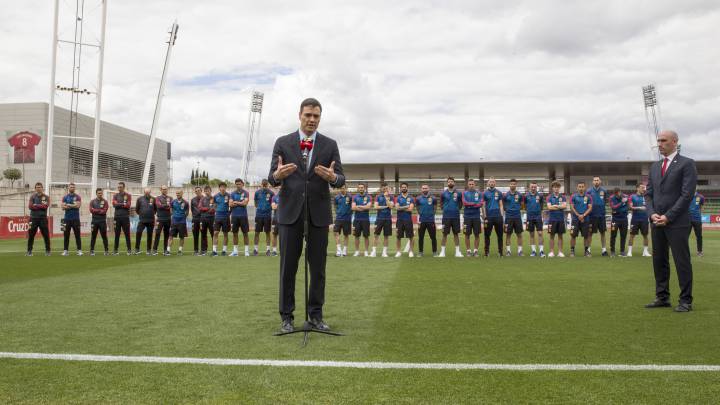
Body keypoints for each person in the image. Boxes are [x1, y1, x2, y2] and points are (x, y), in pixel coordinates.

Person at [268, 97, 345, 333]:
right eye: (308, 115)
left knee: (318, 269)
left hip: (318, 216)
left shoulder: (330, 144)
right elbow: (271, 176)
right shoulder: (283, 142)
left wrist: (333, 178)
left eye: (316, 116)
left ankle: (315, 316)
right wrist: (278, 175)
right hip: (290, 214)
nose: (312, 120)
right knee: (287, 268)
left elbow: (341, 178)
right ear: (299, 115)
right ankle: (287, 317)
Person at [645, 130, 697, 312]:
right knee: (659, 260)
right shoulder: (654, 167)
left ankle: (685, 300)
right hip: (656, 221)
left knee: (681, 261)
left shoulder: (687, 164)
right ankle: (662, 296)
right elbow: (648, 194)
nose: (659, 143)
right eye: (658, 140)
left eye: (663, 140)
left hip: (677, 222)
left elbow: (686, 194)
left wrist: (668, 216)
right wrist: (652, 214)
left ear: (675, 142)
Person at [439, 177, 463, 258]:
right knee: (444, 234)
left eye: (451, 181)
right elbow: (441, 203)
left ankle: (457, 252)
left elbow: (460, 204)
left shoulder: (459, 193)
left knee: (456, 234)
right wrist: (446, 209)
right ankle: (442, 252)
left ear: (454, 183)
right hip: (446, 217)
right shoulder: (443, 193)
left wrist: (456, 209)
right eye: (449, 182)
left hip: (455, 216)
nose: (450, 183)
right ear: (447, 183)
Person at [26, 182, 51, 256]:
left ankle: (48, 251)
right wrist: (40, 206)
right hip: (33, 219)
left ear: (42, 188)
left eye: (40, 187)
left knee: (46, 235)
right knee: (31, 235)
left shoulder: (45, 197)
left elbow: (45, 207)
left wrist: (36, 205)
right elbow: (30, 206)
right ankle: (29, 251)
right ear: (35, 188)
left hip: (43, 219)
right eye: (37, 187)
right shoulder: (32, 197)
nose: (38, 188)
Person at [627, 183, 651, 257]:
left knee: (645, 235)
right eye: (641, 187)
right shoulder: (632, 197)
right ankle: (629, 251)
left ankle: (645, 252)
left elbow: (650, 206)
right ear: (637, 188)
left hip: (644, 219)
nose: (643, 189)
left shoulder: (647, 197)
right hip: (635, 219)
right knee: (632, 235)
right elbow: (630, 207)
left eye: (644, 188)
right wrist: (639, 208)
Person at [569, 181, 593, 257]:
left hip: (585, 219)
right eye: (580, 186)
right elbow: (572, 207)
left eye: (582, 186)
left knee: (586, 236)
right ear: (577, 187)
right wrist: (578, 215)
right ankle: (572, 251)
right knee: (573, 236)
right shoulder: (573, 196)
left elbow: (590, 208)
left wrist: (583, 215)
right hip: (575, 219)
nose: (581, 188)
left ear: (585, 187)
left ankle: (586, 251)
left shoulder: (589, 197)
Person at [588, 176, 609, 256]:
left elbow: (606, 201)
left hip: (601, 215)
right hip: (592, 215)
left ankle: (604, 250)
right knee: (590, 233)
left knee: (603, 233)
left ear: (600, 181)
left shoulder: (604, 191)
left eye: (597, 180)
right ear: (593, 182)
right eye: (595, 180)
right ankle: (588, 250)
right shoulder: (589, 191)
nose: (596, 181)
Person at [371, 182, 393, 258]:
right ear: (381, 188)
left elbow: (390, 206)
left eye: (386, 187)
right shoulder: (378, 197)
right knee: (376, 235)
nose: (384, 188)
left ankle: (384, 252)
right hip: (379, 218)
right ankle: (373, 251)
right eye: (383, 187)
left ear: (387, 188)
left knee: (386, 236)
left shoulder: (391, 197)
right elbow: (376, 207)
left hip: (388, 219)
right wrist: (385, 206)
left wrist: (387, 199)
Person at [229, 179, 251, 257]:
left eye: (239, 184)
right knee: (235, 234)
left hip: (243, 216)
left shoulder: (246, 193)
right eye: (237, 184)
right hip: (234, 216)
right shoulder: (232, 193)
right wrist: (240, 203)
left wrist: (236, 202)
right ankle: (235, 252)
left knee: (245, 233)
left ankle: (246, 251)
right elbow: (230, 204)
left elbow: (245, 203)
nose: (238, 185)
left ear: (242, 184)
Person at [253, 179, 275, 256]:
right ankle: (255, 249)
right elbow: (255, 202)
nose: (264, 186)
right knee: (256, 232)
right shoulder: (257, 193)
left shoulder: (271, 193)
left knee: (268, 233)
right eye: (263, 185)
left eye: (266, 185)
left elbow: (273, 203)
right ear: (261, 185)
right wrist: (259, 208)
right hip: (259, 215)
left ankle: (268, 250)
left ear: (268, 185)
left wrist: (267, 209)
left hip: (267, 215)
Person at [415, 183, 438, 257]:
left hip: (431, 220)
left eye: (426, 188)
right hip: (422, 221)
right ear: (421, 189)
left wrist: (431, 215)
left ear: (429, 189)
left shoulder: (433, 198)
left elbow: (435, 208)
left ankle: (434, 252)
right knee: (420, 237)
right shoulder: (418, 198)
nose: (425, 189)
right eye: (423, 188)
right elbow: (417, 208)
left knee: (433, 237)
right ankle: (420, 252)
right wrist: (421, 213)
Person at [482, 178, 503, 257]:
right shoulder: (485, 193)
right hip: (488, 217)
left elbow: (501, 205)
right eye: (490, 182)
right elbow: (483, 206)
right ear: (488, 183)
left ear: (495, 183)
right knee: (487, 235)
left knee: (500, 235)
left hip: (498, 217)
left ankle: (500, 252)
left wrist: (501, 216)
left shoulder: (499, 193)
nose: (492, 183)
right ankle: (486, 252)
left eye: (493, 182)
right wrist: (485, 217)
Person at [503, 179, 524, 256]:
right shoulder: (505, 195)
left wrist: (517, 209)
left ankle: (520, 251)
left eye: (514, 184)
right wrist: (508, 209)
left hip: (517, 217)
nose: (513, 185)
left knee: (519, 234)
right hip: (508, 217)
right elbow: (503, 205)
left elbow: (522, 205)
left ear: (516, 185)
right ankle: (508, 251)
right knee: (508, 234)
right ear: (509, 185)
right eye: (511, 184)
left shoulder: (520, 195)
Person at [60, 182, 82, 256]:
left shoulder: (78, 197)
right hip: (66, 219)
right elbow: (63, 207)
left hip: (76, 218)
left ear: (75, 188)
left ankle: (79, 250)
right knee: (66, 235)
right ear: (68, 188)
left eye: (73, 187)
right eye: (71, 187)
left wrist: (68, 205)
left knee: (77, 235)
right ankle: (65, 250)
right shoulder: (65, 197)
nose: (72, 188)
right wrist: (73, 205)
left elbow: (78, 206)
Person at [394, 182, 415, 258]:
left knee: (411, 236)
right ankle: (398, 252)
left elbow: (410, 209)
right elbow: (396, 208)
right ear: (400, 188)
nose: (404, 188)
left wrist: (401, 208)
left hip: (408, 220)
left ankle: (411, 251)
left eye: (405, 187)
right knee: (398, 236)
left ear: (407, 188)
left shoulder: (411, 198)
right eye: (402, 187)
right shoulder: (397, 198)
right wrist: (406, 206)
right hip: (399, 220)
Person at [546, 181, 567, 258]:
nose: (556, 188)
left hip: (560, 219)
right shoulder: (549, 197)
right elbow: (549, 207)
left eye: (557, 187)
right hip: (552, 220)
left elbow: (564, 206)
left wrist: (555, 205)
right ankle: (551, 252)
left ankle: (560, 252)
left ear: (559, 188)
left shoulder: (563, 197)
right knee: (551, 236)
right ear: (552, 188)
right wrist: (559, 206)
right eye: (554, 187)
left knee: (560, 236)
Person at [463, 179, 483, 257]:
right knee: (466, 235)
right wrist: (474, 203)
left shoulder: (479, 193)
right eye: (470, 184)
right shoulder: (464, 193)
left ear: (475, 185)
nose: (471, 185)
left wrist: (470, 204)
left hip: (476, 217)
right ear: (468, 185)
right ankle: (468, 251)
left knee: (477, 234)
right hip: (467, 217)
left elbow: (480, 204)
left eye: (472, 184)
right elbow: (464, 203)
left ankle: (475, 251)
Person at [525, 182, 545, 257]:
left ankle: (541, 251)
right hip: (529, 217)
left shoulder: (540, 196)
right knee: (532, 234)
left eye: (534, 187)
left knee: (540, 233)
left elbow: (542, 207)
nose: (533, 188)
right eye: (532, 187)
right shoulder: (526, 196)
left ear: (536, 187)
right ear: (529, 188)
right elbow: (525, 205)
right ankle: (533, 251)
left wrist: (542, 216)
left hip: (538, 217)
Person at [352, 183, 372, 257]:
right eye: (359, 187)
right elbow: (353, 208)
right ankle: (357, 251)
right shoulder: (355, 197)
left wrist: (359, 206)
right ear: (358, 188)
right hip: (357, 220)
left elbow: (368, 207)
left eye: (362, 187)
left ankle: (366, 251)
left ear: (364, 188)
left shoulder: (368, 196)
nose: (361, 189)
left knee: (366, 236)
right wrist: (364, 207)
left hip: (365, 220)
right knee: (356, 236)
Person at [112, 182, 132, 255]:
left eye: (120, 187)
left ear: (124, 187)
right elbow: (114, 204)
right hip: (116, 217)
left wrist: (119, 204)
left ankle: (129, 250)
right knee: (117, 234)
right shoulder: (115, 195)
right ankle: (115, 250)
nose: (119, 188)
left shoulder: (128, 195)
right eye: (118, 187)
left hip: (125, 217)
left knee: (127, 234)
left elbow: (128, 205)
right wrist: (123, 204)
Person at [211, 182, 231, 256]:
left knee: (225, 234)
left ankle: (224, 251)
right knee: (215, 233)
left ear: (225, 188)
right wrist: (216, 210)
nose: (222, 188)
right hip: (218, 217)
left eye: (224, 187)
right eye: (221, 187)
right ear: (219, 188)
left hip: (226, 217)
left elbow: (231, 205)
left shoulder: (229, 195)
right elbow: (213, 204)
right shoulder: (216, 196)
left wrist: (229, 213)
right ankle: (214, 251)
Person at [134, 188, 156, 255]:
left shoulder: (153, 199)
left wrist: (151, 213)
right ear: (144, 192)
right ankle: (137, 249)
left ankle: (148, 250)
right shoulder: (139, 199)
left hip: (151, 220)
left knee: (150, 235)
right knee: (138, 232)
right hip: (142, 220)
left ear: (150, 192)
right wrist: (142, 214)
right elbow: (137, 209)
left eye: (148, 192)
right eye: (146, 192)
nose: (147, 193)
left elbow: (155, 209)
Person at [88, 188, 109, 255]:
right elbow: (91, 210)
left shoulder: (105, 202)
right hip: (94, 221)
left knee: (104, 236)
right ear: (96, 194)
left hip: (102, 221)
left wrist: (96, 210)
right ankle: (92, 250)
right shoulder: (92, 201)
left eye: (101, 193)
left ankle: (106, 251)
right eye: (99, 193)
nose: (100, 194)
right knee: (93, 236)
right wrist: (99, 210)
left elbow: (104, 211)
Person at [609, 187, 629, 257]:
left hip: (624, 219)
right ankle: (612, 251)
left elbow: (627, 207)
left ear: (620, 192)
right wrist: (621, 203)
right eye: (616, 194)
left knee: (623, 235)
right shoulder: (611, 198)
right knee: (613, 235)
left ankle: (622, 251)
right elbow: (613, 207)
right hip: (615, 219)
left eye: (618, 193)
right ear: (614, 194)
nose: (617, 195)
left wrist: (619, 209)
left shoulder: (626, 196)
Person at [153, 185, 173, 256]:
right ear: (161, 190)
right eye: (163, 189)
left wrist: (164, 206)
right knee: (157, 234)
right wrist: (166, 206)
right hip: (160, 219)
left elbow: (171, 206)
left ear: (167, 190)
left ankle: (165, 250)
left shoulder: (170, 198)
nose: (164, 190)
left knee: (166, 235)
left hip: (168, 219)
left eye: (165, 189)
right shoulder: (157, 198)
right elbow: (159, 206)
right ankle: (155, 250)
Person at [333, 185, 352, 257]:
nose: (342, 189)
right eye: (341, 188)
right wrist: (338, 212)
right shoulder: (337, 197)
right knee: (335, 233)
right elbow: (335, 206)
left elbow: (352, 206)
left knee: (346, 235)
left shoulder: (350, 197)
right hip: (338, 218)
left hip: (347, 219)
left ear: (346, 189)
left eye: (343, 188)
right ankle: (338, 250)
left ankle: (344, 251)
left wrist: (349, 213)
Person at [169, 189, 190, 255]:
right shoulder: (173, 202)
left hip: (182, 222)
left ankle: (180, 250)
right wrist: (174, 214)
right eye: (177, 193)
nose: (177, 194)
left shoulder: (186, 202)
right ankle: (168, 250)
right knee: (171, 236)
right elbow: (171, 209)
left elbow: (187, 211)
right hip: (174, 221)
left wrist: (183, 216)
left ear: (182, 193)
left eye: (179, 193)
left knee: (181, 237)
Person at [198, 186, 216, 256]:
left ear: (210, 191)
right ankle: (203, 250)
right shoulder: (202, 199)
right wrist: (208, 208)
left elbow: (213, 209)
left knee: (213, 234)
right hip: (203, 219)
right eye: (205, 191)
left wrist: (206, 209)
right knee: (203, 234)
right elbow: (199, 208)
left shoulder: (214, 198)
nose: (206, 192)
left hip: (212, 219)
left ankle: (214, 250)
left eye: (208, 191)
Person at [689, 189, 705, 257]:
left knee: (699, 236)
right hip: (688, 219)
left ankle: (699, 251)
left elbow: (701, 207)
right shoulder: (687, 196)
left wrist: (699, 215)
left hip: (697, 220)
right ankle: (683, 251)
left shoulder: (700, 197)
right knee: (684, 236)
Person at [190, 186, 204, 255]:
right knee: (195, 235)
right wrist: (195, 216)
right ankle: (196, 250)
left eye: (199, 190)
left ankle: (203, 250)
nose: (197, 192)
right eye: (196, 191)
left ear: (201, 191)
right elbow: (192, 210)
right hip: (195, 219)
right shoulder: (192, 200)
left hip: (203, 219)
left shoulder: (205, 199)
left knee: (203, 235)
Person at [270, 192, 280, 256]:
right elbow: (273, 207)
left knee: (284, 235)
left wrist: (277, 205)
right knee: (274, 234)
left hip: (286, 220)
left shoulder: (288, 196)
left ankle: (283, 250)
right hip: (275, 219)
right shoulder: (275, 197)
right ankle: (274, 251)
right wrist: (283, 205)